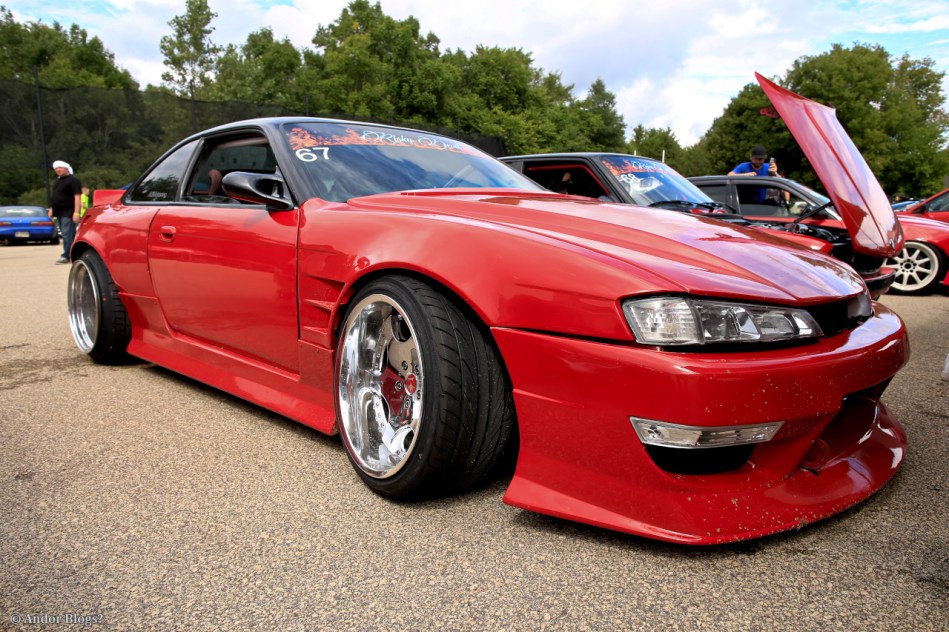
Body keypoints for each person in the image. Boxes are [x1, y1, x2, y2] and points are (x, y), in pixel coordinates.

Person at [48, 160, 82, 264]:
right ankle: (74, 254)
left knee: (67, 234)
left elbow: (77, 196)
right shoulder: (57, 181)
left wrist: (76, 212)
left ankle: (66, 256)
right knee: (66, 234)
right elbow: (56, 196)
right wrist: (52, 209)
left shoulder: (73, 180)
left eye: (60, 168)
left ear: (66, 168)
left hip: (68, 212)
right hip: (58, 212)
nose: (58, 170)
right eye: (56, 168)